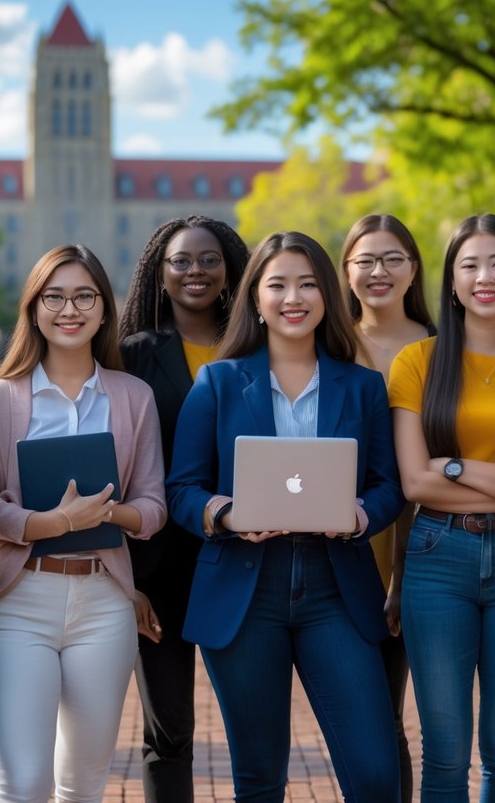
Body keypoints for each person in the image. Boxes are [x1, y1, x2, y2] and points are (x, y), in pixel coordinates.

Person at [166, 231, 403, 801]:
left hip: (335, 588)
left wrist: (361, 515)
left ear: (328, 294)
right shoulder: (218, 383)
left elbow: (388, 487)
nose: (293, 297)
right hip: (245, 592)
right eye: (277, 285)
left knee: (375, 771)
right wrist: (225, 514)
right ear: (255, 298)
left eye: (308, 283)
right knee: (259, 778)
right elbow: (181, 489)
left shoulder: (364, 386)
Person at [0, 244, 167, 803]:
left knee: (82, 786)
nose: (69, 309)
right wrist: (52, 522)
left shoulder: (133, 397)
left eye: (84, 296)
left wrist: (108, 513)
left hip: (104, 604)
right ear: (33, 309)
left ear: (105, 309)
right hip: (21, 599)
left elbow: (153, 506)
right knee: (24, 783)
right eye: (53, 296)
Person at [389, 213, 495, 802]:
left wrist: (458, 467)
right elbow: (415, 482)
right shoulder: (417, 362)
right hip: (437, 557)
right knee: (444, 752)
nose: (484, 277)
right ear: (452, 282)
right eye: (469, 265)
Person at [116, 215, 249, 801]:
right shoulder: (133, 355)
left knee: (254, 724)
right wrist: (124, 575)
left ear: (230, 271)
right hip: (159, 565)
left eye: (209, 259)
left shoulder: (260, 345)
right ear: (160, 274)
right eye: (181, 261)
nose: (196, 271)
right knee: (168, 731)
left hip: (247, 559)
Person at [339, 213, 433, 803]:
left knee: (390, 716)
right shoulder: (326, 343)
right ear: (344, 271)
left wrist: (400, 577)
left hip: (421, 549)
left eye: (392, 258)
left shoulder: (441, 347)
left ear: (413, 268)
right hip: (338, 547)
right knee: (360, 717)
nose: (378, 272)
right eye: (364, 260)